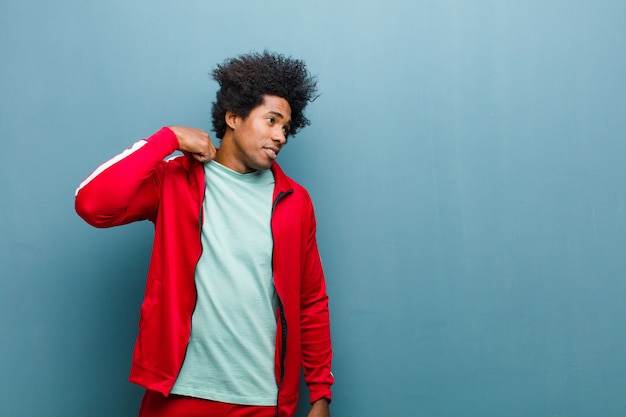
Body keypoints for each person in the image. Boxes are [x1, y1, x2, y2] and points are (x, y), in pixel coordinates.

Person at [75, 51, 333, 417]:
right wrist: (167, 140)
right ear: (233, 118)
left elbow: (311, 301)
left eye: (286, 128)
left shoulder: (295, 201)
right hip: (180, 392)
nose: (280, 136)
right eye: (272, 121)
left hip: (261, 398)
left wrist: (320, 394)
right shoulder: (176, 181)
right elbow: (93, 205)